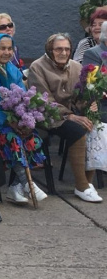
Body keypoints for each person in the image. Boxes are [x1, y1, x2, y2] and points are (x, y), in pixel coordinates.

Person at [0, 34, 48, 205]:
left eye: (9, 49)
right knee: (12, 138)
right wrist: (9, 122)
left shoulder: (13, 70)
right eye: (2, 48)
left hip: (14, 120)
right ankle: (27, 183)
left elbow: (23, 98)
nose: (7, 52)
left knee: (33, 138)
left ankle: (15, 186)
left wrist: (24, 120)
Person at [29, 34, 101, 203]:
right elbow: (43, 101)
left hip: (70, 113)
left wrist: (90, 104)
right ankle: (81, 185)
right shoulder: (37, 67)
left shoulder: (76, 67)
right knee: (77, 130)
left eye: (67, 49)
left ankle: (88, 182)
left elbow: (79, 95)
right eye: (59, 49)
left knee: (96, 126)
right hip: (46, 116)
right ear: (50, 50)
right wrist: (70, 115)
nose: (63, 52)